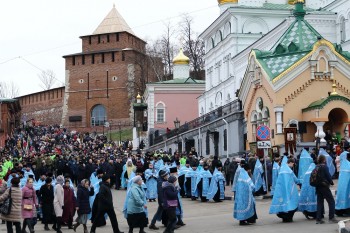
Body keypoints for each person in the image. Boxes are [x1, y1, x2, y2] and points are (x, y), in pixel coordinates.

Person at [269, 158, 299, 222]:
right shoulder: (289, 170)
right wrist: (300, 181)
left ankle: (283, 216)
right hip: (289, 189)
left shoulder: (281, 169)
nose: (293, 165)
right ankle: (289, 217)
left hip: (280, 189)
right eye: (293, 164)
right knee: (290, 202)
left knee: (282, 201)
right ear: (291, 162)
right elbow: (295, 179)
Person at [314, 155, 338, 224]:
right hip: (324, 186)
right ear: (324, 160)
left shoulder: (317, 166)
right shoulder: (324, 167)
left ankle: (318, 219)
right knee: (331, 201)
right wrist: (332, 183)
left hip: (317, 186)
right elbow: (328, 176)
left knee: (320, 202)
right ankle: (331, 218)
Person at [335, 152, 350, 217]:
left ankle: (339, 211)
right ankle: (347, 211)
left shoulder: (342, 165)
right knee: (347, 198)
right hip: (347, 186)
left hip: (341, 185)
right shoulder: (348, 164)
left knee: (341, 197)